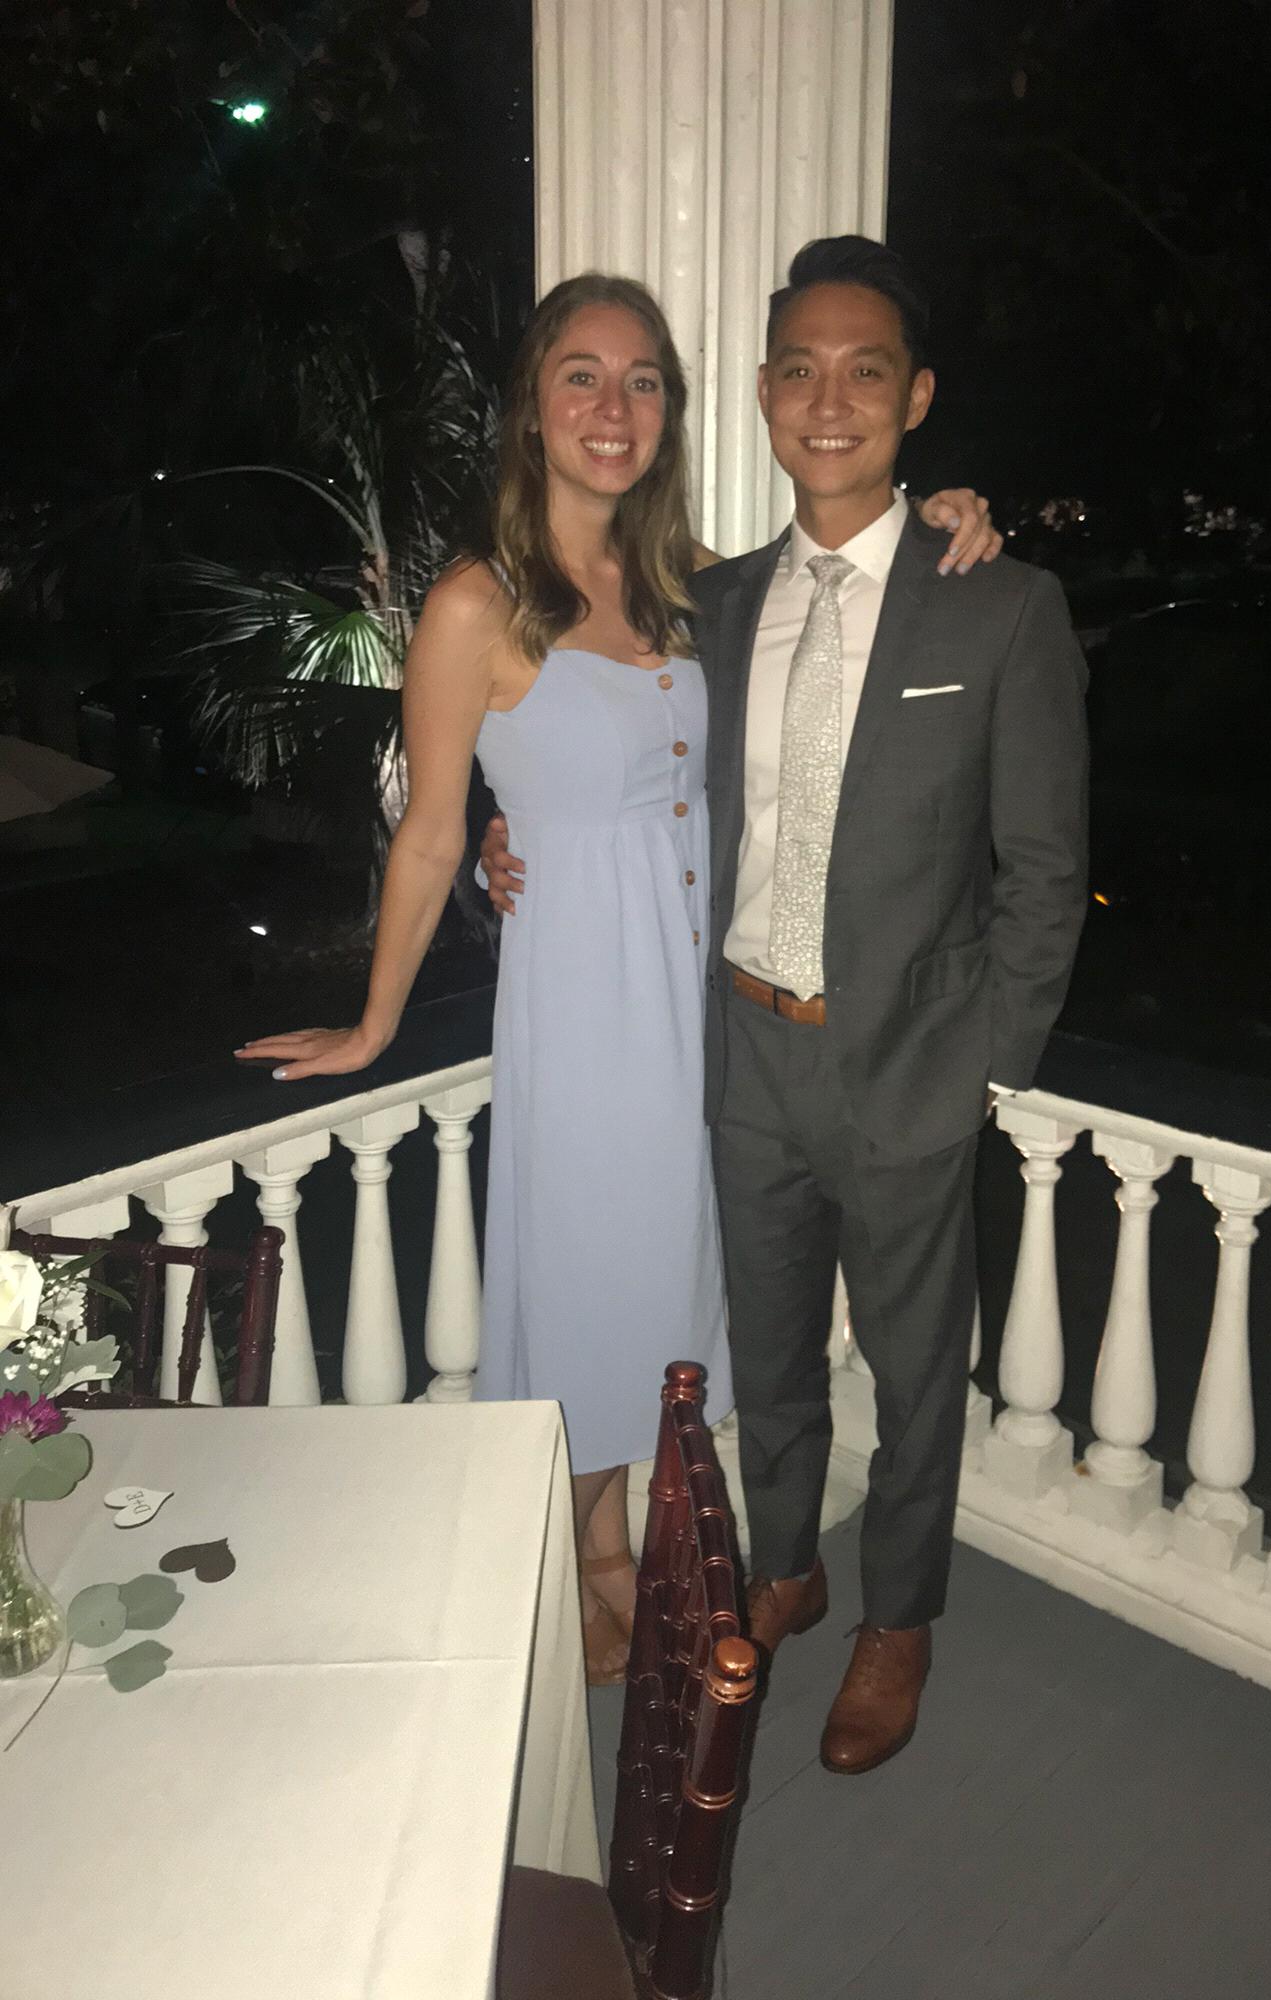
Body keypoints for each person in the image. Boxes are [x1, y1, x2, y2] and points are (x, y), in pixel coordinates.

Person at [237, 270, 1001, 1686]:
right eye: (580, 376)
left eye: (642, 380)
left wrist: (945, 515)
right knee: (590, 1272)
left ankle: (625, 1533)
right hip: (586, 1007)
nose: (612, 406)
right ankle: (590, 1545)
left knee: (669, 1282)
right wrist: (376, 1019)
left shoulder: (697, 584)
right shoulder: (475, 604)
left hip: (706, 1011)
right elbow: (433, 832)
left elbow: (827, 630)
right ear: (532, 408)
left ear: (673, 411)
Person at [487, 236, 1088, 1768]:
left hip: (910, 1068)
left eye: (865, 370)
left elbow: (1044, 867)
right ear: (761, 395)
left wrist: (990, 1067)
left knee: (914, 1372)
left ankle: (900, 1620)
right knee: (764, 1355)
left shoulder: (1001, 606)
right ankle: (785, 1567)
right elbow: (609, 752)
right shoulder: (710, 602)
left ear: (916, 397)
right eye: (801, 371)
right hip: (741, 1050)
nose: (831, 401)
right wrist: (509, 837)